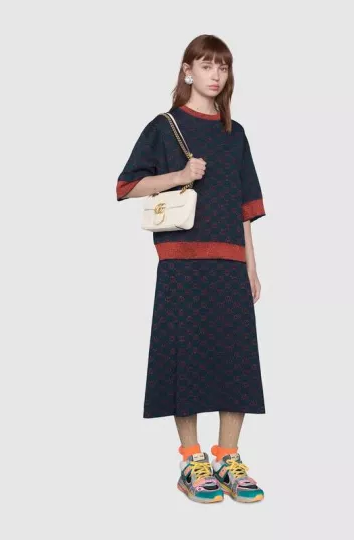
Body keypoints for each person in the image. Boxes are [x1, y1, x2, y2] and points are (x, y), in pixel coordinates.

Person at [116, 34, 266, 504]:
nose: (215, 75)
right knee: (186, 359)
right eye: (206, 66)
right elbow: (126, 186)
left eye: (222, 67)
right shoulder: (164, 127)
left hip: (230, 260)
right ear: (187, 71)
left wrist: (252, 265)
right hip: (181, 262)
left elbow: (245, 208)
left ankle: (228, 458)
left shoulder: (235, 133)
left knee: (236, 360)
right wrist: (180, 176)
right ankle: (191, 460)